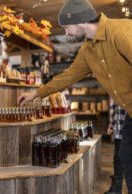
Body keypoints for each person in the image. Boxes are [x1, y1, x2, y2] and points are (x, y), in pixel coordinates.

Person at [18, 0, 132, 192]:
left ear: (79, 21)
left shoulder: (120, 31)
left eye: (66, 27)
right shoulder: (88, 51)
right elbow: (68, 75)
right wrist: (37, 93)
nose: (66, 33)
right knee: (126, 156)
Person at [106, 98, 127, 194]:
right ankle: (117, 189)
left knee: (125, 160)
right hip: (118, 130)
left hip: (127, 131)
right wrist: (111, 125)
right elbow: (114, 108)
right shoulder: (116, 88)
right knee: (117, 160)